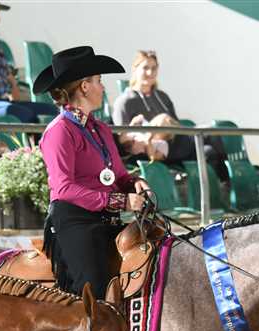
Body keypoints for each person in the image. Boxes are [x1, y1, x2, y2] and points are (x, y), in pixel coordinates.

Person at [34, 46, 150, 299]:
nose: (103, 87)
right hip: (76, 222)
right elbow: (64, 189)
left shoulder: (101, 129)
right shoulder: (59, 131)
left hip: (107, 220)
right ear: (85, 86)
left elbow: (119, 176)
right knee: (95, 292)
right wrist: (120, 201)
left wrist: (136, 183)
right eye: (99, 80)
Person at [111, 50, 227, 179]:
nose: (150, 72)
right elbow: (123, 140)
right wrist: (151, 132)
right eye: (145, 68)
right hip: (153, 150)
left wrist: (164, 123)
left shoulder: (162, 96)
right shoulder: (124, 101)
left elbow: (175, 124)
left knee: (208, 152)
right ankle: (228, 180)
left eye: (154, 68)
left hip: (175, 143)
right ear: (135, 69)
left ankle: (223, 184)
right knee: (211, 133)